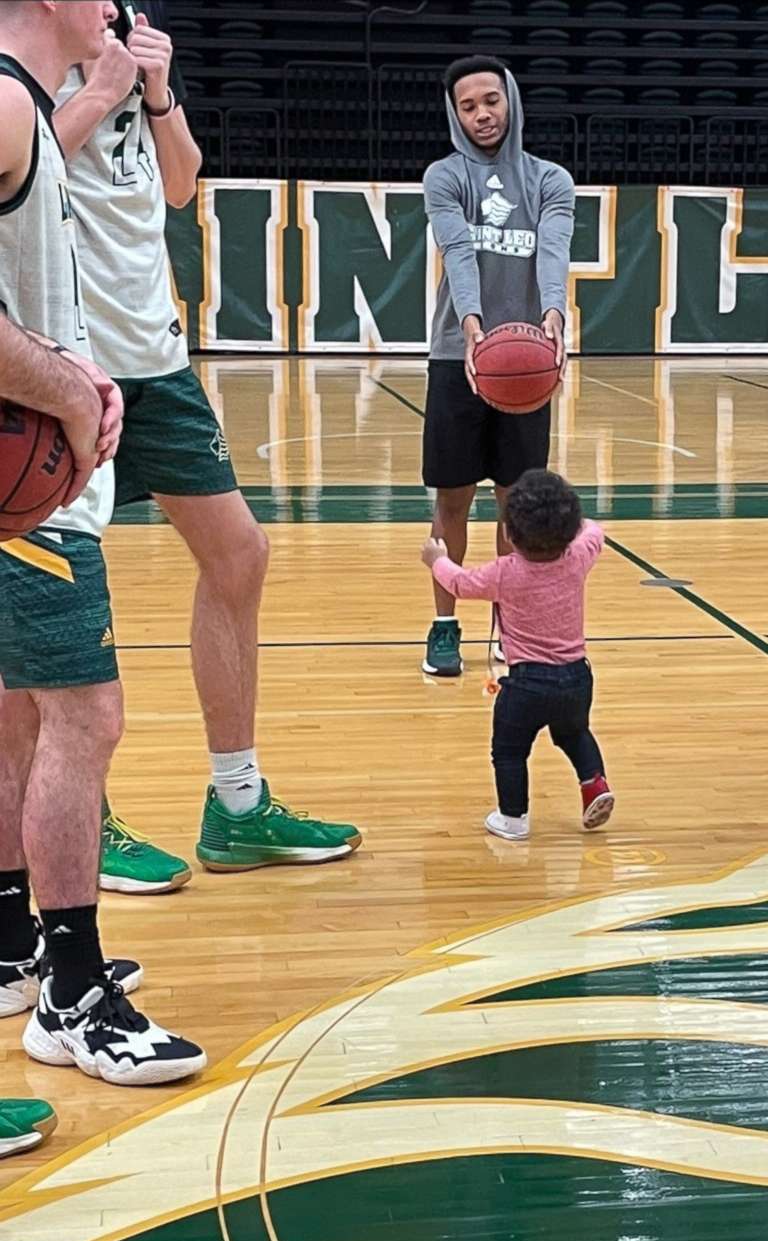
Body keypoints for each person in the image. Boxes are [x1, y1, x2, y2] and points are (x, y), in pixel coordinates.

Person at [53, 0, 361, 884]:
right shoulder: (29, 59)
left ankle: (236, 805)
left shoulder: (130, 40)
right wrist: (98, 88)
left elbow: (182, 183)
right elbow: (23, 170)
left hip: (156, 358)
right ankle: (81, 815)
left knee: (239, 556)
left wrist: (154, 91)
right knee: (65, 587)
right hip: (66, 366)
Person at [0, 0, 204, 1086]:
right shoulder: (7, 105)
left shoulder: (28, 105)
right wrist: (66, 390)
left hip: (32, 485)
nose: (121, 6)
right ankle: (73, 996)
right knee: (86, 718)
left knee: (20, 714)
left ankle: (7, 944)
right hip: (30, 507)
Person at [421, 55, 575, 678]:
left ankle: (512, 629)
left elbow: (553, 251)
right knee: (451, 500)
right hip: (459, 358)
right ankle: (443, 625)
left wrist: (554, 315)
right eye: (468, 106)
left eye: (491, 100)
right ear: (455, 115)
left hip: (527, 364)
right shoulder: (444, 176)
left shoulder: (550, 180)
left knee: (516, 505)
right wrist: (472, 325)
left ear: (511, 101)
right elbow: (458, 248)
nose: (482, 114)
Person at [421, 469, 613, 841]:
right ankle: (594, 784)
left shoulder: (505, 572)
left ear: (509, 533)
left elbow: (458, 582)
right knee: (575, 734)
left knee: (509, 752)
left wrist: (436, 559)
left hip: (526, 685)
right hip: (576, 678)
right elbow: (595, 531)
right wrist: (572, 522)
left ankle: (513, 817)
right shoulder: (577, 557)